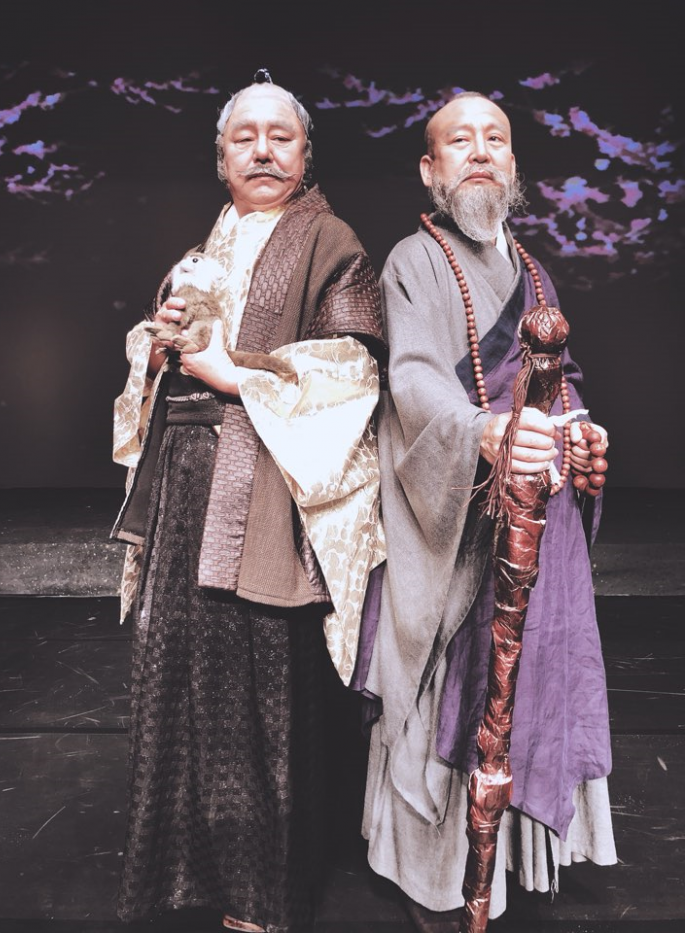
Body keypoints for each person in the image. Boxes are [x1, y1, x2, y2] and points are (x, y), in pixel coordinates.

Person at [110, 70, 385, 932]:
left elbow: (354, 366)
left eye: (281, 137)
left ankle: (263, 892)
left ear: (306, 153)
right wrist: (157, 350)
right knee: (177, 675)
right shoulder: (208, 245)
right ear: (221, 156)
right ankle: (181, 871)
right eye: (245, 137)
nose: (263, 151)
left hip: (265, 484)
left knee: (259, 686)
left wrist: (235, 376)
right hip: (187, 486)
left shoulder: (331, 239)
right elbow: (165, 347)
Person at [358, 92, 617, 931]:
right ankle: (435, 874)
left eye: (495, 139)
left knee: (529, 682)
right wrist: (487, 431)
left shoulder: (533, 271)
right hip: (459, 519)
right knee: (455, 689)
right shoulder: (414, 261)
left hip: (536, 512)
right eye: (458, 140)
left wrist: (578, 432)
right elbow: (414, 380)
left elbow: (561, 382)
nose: (479, 151)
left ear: (512, 165)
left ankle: (511, 864)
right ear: (429, 170)